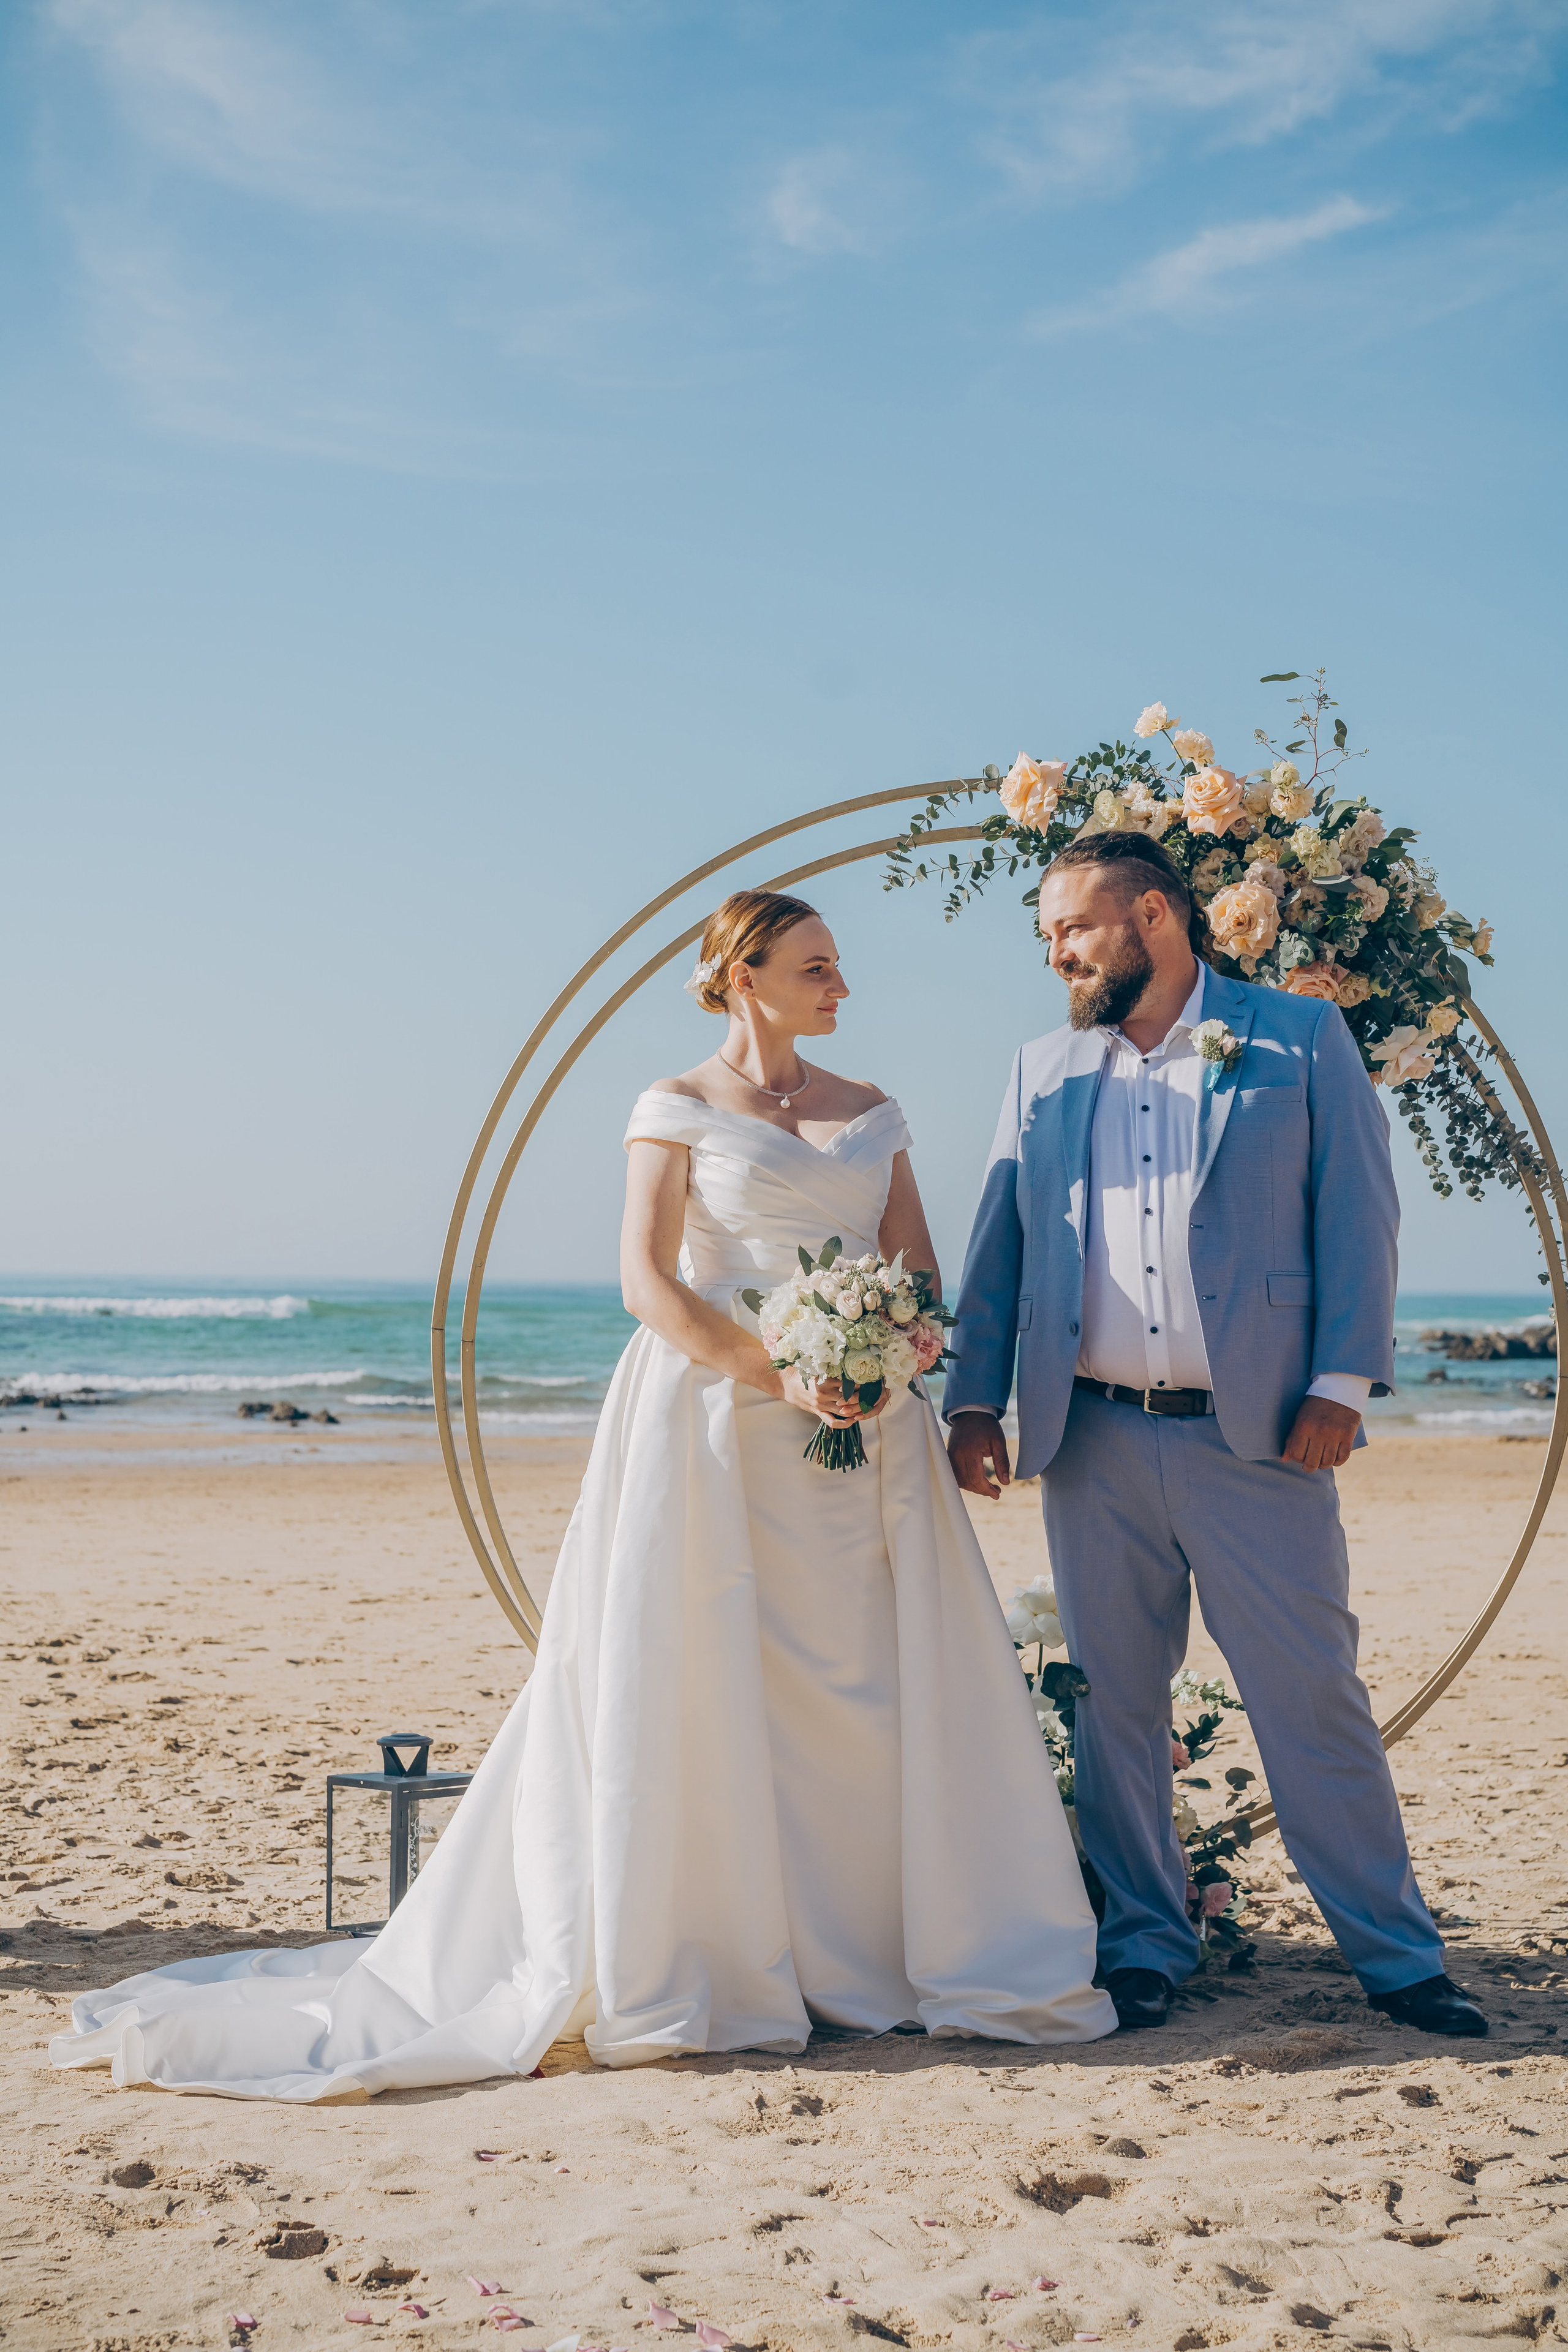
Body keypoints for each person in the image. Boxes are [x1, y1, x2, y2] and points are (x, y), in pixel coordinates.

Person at [53, 888, 1114, 2101]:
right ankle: (715, 1946)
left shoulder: (871, 1113)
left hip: (866, 1442)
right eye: (816, 966)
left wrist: (889, 1359)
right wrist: (785, 1372)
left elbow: (917, 1272)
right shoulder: (672, 1108)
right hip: (714, 1423)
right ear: (745, 972)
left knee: (871, 1682)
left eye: (837, 967)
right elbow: (646, 1283)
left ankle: (868, 1947)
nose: (841, 988)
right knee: (710, 1674)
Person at [944, 831, 1487, 2039]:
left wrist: (1339, 1383)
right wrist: (973, 1401)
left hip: (1257, 1443)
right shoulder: (1040, 1069)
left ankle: (1396, 1958)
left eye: (1071, 926)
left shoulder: (1296, 1039)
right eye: (1046, 936)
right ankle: (1144, 1942)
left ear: (1152, 915)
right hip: (1088, 1442)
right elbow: (1000, 1249)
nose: (1056, 951)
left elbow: (1357, 1215)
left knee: (1310, 1700)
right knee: (1113, 1710)